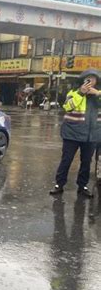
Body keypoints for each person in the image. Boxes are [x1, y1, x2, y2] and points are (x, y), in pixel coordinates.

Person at [50, 69, 100, 198]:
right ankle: (59, 185)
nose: (91, 81)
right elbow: (67, 107)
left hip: (91, 135)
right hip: (72, 134)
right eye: (88, 79)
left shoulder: (98, 94)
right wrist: (81, 93)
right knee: (66, 160)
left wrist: (98, 94)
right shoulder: (73, 92)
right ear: (83, 80)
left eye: (93, 79)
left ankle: (82, 186)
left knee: (86, 162)